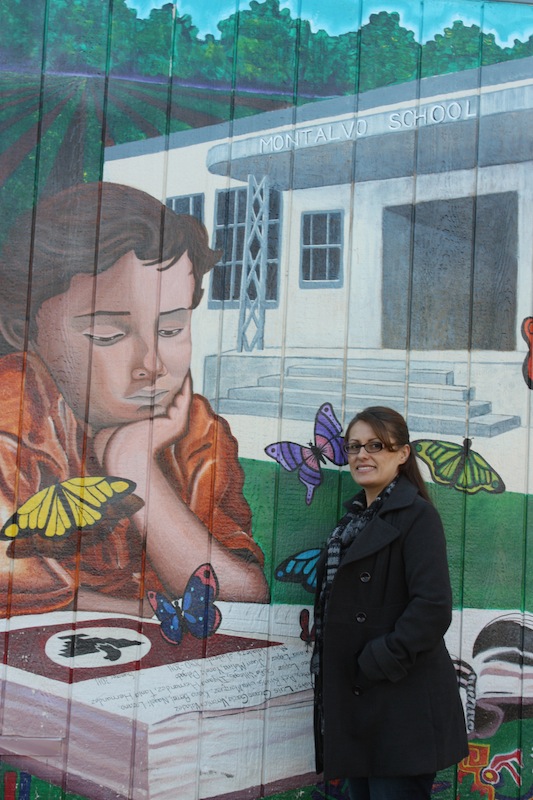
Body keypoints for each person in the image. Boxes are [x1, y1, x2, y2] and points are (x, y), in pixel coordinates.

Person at [0, 181, 269, 617]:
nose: (152, 363)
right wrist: (143, 614)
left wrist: (134, 466)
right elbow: (16, 595)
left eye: (171, 330)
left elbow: (243, 596)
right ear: (23, 332)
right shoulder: (10, 417)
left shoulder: (191, 426)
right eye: (108, 334)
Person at [312, 406, 468, 800]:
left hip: (402, 703)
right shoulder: (351, 522)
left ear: (402, 454)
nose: (362, 455)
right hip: (361, 702)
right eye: (354, 446)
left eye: (376, 445)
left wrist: (377, 659)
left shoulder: (417, 516)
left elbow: (432, 607)